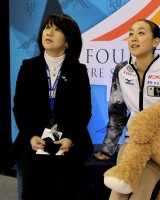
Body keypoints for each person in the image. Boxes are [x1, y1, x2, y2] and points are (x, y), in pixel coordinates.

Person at [94, 19, 160, 199]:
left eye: (141, 33)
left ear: (155, 42)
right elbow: (116, 111)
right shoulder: (121, 70)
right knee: (119, 190)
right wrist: (107, 149)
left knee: (141, 192)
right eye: (131, 33)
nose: (134, 38)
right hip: (133, 141)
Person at [11, 13, 93, 200]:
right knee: (32, 185)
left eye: (57, 30)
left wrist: (70, 138)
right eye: (47, 27)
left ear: (67, 41)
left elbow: (84, 111)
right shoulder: (29, 67)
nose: (49, 32)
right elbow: (20, 107)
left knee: (63, 185)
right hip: (34, 136)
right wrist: (31, 135)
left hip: (68, 136)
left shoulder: (78, 70)